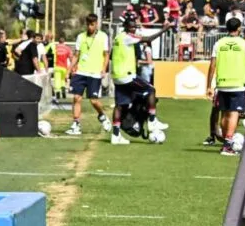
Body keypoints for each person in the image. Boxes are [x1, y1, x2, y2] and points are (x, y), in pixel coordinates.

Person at [109, 16, 170, 145]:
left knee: (120, 105)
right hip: (127, 75)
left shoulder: (117, 37)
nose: (133, 29)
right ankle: (152, 122)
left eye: (134, 27)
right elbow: (148, 39)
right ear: (125, 27)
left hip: (117, 76)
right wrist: (165, 29)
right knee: (151, 90)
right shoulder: (127, 37)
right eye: (131, 27)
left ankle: (115, 136)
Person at [207, 17, 245, 157]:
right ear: (239, 28)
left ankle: (226, 142)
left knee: (224, 113)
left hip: (222, 83)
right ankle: (228, 145)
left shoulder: (219, 43)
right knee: (234, 113)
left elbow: (212, 65)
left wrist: (209, 86)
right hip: (238, 83)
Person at [66, 13, 111, 136]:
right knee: (76, 98)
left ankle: (102, 116)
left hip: (95, 73)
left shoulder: (103, 36)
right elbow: (76, 55)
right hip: (81, 71)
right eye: (88, 24)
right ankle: (76, 124)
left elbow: (106, 54)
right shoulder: (81, 37)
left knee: (94, 101)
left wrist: (103, 69)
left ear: (96, 24)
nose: (90, 27)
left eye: (92, 24)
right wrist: (69, 70)